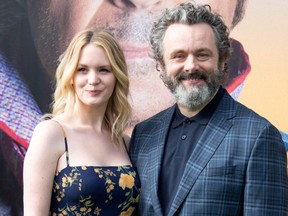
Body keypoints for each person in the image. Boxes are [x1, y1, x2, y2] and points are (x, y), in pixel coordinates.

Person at [129, 3, 288, 215]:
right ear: (161, 65)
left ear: (223, 61)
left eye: (202, 54)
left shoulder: (259, 135)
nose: (191, 66)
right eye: (179, 56)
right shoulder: (144, 134)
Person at [23, 29, 141, 215]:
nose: (93, 80)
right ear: (70, 76)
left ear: (117, 76)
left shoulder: (124, 142)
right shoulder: (51, 134)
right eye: (82, 70)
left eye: (104, 69)